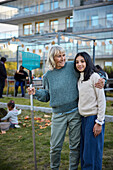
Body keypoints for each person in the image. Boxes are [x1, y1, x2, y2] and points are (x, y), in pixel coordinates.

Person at [27, 45, 105, 170]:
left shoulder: (71, 67)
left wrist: (103, 79)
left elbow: (91, 71)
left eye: (64, 55)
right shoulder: (48, 76)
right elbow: (47, 95)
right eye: (59, 56)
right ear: (53, 58)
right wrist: (35, 92)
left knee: (75, 146)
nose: (63, 58)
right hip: (58, 115)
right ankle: (54, 167)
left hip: (75, 113)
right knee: (55, 147)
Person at [74, 52, 106, 170]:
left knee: (90, 155)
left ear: (87, 62)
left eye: (82, 61)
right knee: (86, 153)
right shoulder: (80, 78)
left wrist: (99, 122)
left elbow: (101, 101)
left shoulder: (95, 77)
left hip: (93, 119)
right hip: (83, 119)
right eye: (77, 62)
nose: (79, 64)